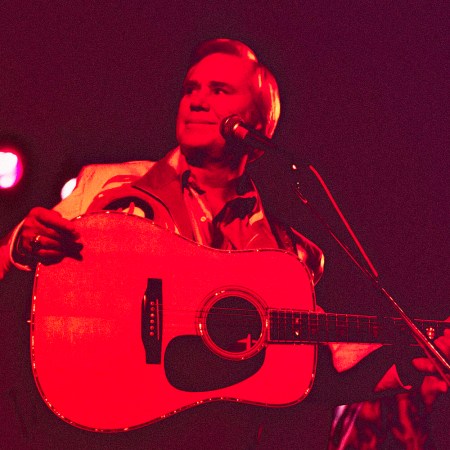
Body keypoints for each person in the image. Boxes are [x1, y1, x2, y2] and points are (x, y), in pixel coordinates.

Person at [0, 38, 448, 450]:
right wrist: (23, 247)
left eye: (219, 91)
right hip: (91, 426)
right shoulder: (108, 183)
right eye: (190, 88)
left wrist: (415, 357)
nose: (196, 99)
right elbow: (8, 264)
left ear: (258, 124)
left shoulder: (288, 255)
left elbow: (322, 367)